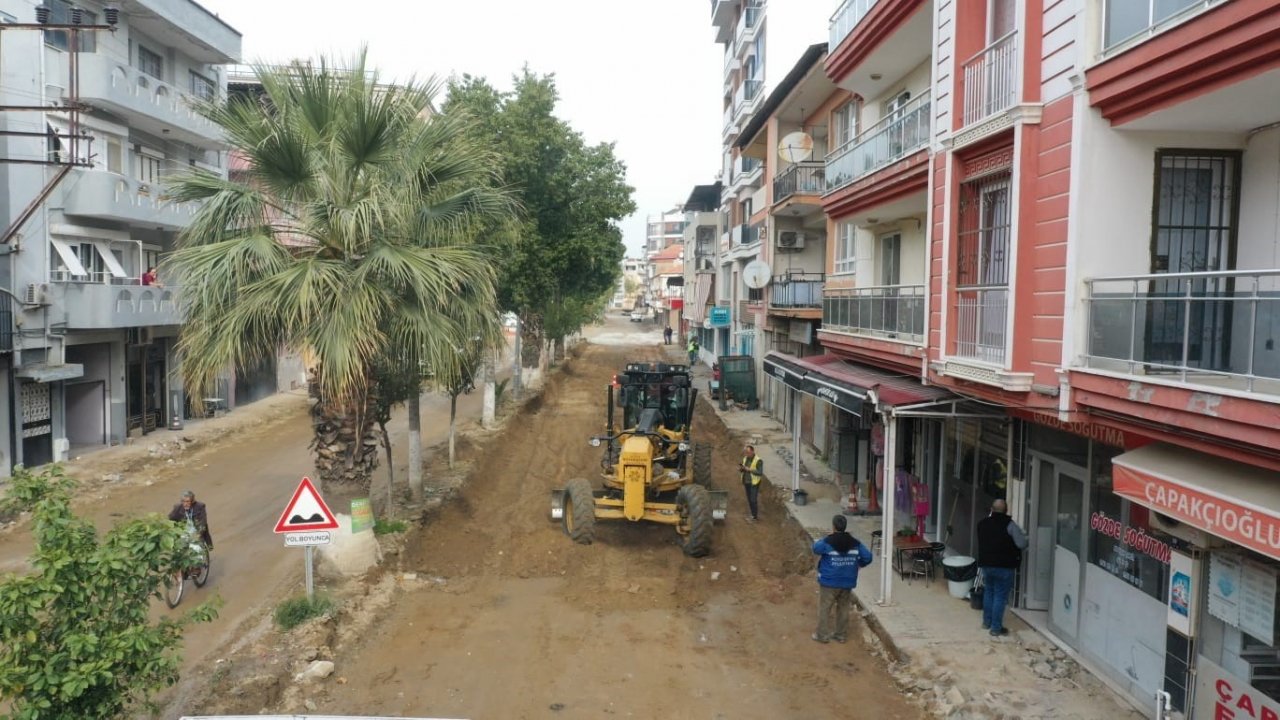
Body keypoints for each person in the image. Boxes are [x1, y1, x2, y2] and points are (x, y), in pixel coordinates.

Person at [812, 514, 873, 643]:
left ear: (833, 527)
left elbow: (816, 548)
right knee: (843, 608)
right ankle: (840, 635)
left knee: (825, 608)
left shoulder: (829, 541)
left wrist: (828, 537)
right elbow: (868, 557)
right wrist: (859, 564)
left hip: (829, 582)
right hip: (847, 582)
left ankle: (822, 635)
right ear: (845, 527)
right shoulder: (855, 543)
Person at [976, 498, 1027, 637]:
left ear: (991, 510)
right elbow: (1021, 544)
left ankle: (986, 622)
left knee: (989, 592)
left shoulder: (982, 524)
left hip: (986, 565)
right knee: (1000, 596)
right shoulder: (1010, 525)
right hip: (1004, 567)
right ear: (1006, 511)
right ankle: (996, 628)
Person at [739, 444, 763, 522]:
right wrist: (742, 469)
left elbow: (760, 472)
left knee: (753, 499)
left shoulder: (758, 460)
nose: (747, 454)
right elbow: (743, 469)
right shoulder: (745, 458)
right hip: (747, 482)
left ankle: (754, 517)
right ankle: (752, 515)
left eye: (748, 452)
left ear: (753, 451)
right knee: (749, 499)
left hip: (754, 483)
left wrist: (749, 470)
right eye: (746, 452)